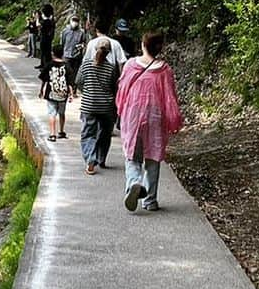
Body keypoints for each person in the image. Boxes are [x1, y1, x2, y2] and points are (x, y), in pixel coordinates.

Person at [115, 30, 182, 212]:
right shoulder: (164, 70)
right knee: (153, 158)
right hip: (155, 117)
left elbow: (122, 90)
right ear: (160, 48)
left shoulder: (130, 65)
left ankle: (134, 183)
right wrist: (173, 120)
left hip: (133, 115)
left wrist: (120, 109)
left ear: (143, 45)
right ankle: (150, 200)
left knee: (132, 157)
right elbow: (169, 98)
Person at [74, 37, 119, 174]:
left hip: (89, 105)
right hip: (106, 106)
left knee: (88, 134)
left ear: (95, 49)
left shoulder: (86, 64)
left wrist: (87, 91)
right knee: (104, 134)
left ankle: (90, 160)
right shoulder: (111, 68)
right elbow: (113, 87)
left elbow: (79, 81)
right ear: (109, 52)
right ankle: (101, 158)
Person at [44, 44, 71, 141]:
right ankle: (62, 131)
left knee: (52, 114)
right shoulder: (67, 66)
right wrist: (71, 94)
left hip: (51, 93)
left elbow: (45, 79)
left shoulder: (49, 65)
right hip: (63, 94)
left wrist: (41, 90)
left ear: (53, 54)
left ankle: (52, 134)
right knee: (62, 113)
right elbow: (70, 81)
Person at [60, 14, 87, 88]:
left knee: (75, 73)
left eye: (76, 21)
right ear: (70, 21)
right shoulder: (65, 31)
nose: (75, 22)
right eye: (73, 20)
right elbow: (62, 42)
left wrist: (81, 46)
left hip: (76, 56)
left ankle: (73, 89)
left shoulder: (81, 32)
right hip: (66, 55)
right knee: (66, 72)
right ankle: (66, 88)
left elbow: (84, 42)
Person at [36, 4, 56, 86]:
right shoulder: (52, 21)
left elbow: (38, 25)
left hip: (44, 39)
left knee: (45, 54)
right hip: (49, 39)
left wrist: (37, 18)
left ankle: (46, 68)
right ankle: (45, 66)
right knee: (46, 54)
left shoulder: (45, 21)